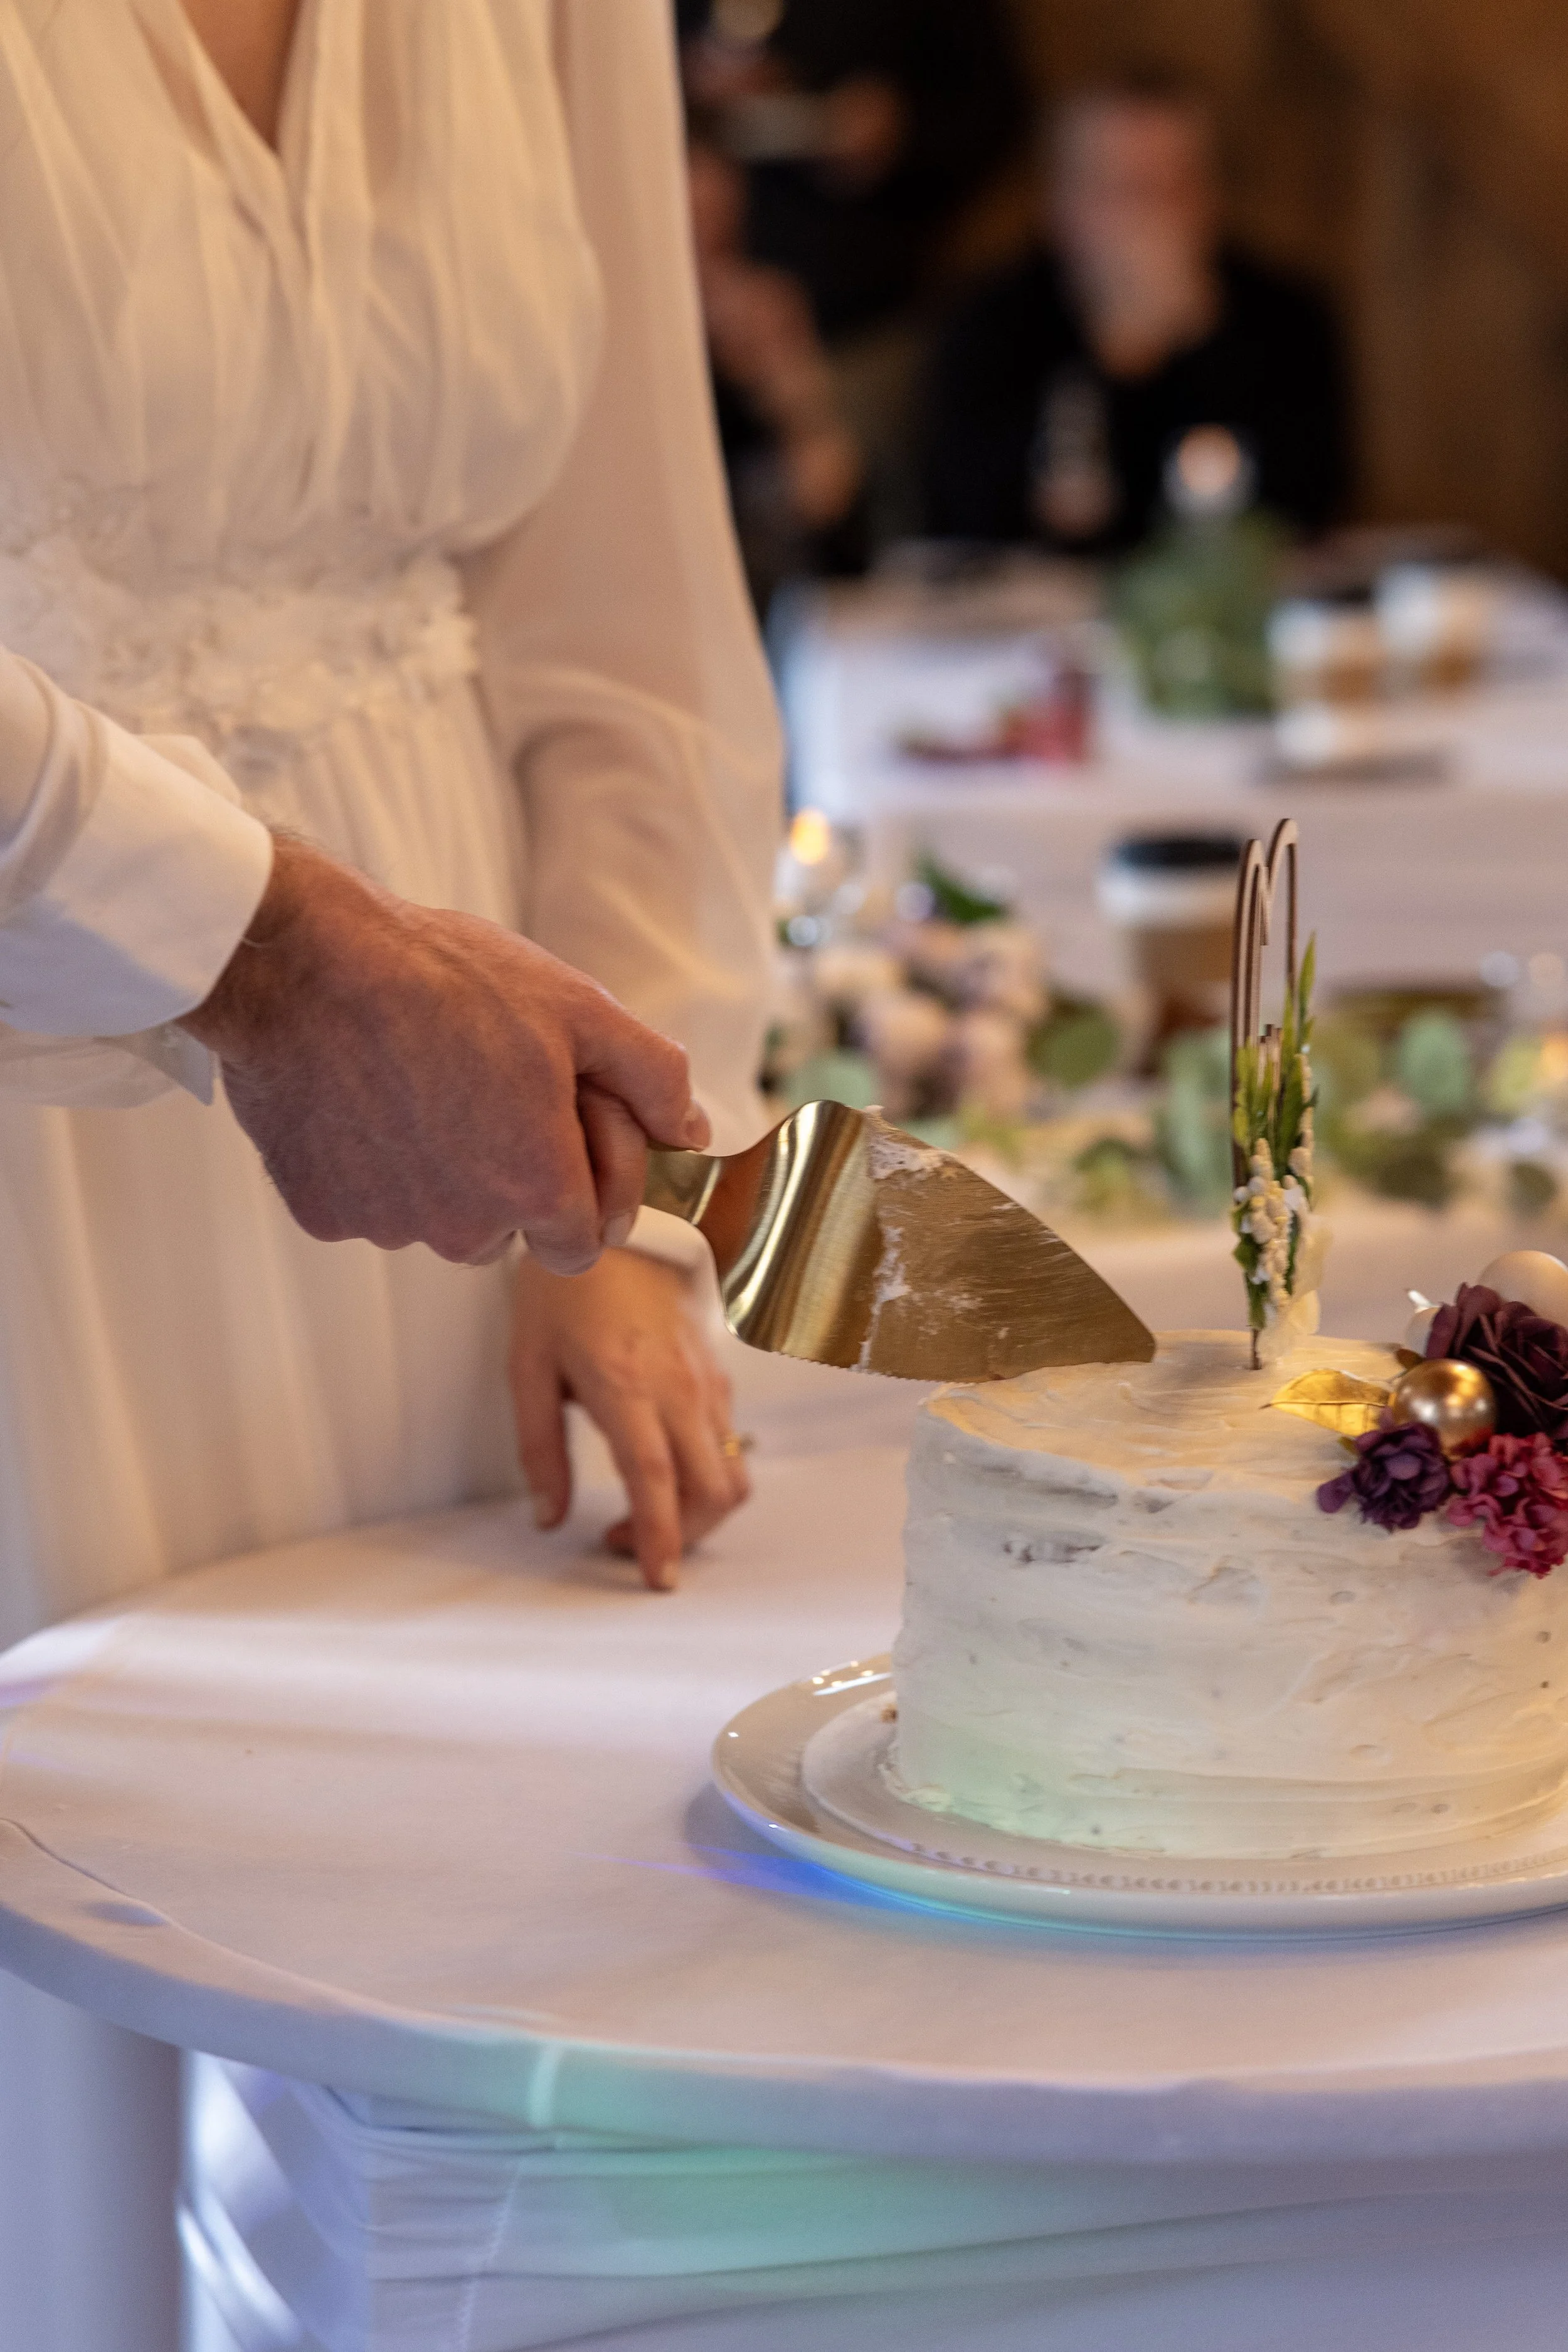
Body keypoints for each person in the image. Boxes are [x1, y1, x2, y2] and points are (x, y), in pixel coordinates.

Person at [0, 9, 776, 2339]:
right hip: (52, 1077)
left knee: (401, 2097)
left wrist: (618, 1182)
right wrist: (243, 948)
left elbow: (630, 598)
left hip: (456, 1167)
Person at [922, 78, 1353, 554]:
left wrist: (1202, 345)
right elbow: (970, 514)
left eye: (1170, 188)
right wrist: (1115, 366)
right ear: (1063, 205)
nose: (1146, 219)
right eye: (1121, 190)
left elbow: (1307, 506)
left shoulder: (1285, 317)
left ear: (1211, 199)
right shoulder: (992, 323)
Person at [687, 117, 869, 611]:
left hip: (771, 601)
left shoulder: (768, 312)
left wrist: (787, 386)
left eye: (718, 234)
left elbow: (830, 509)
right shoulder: (619, 337)